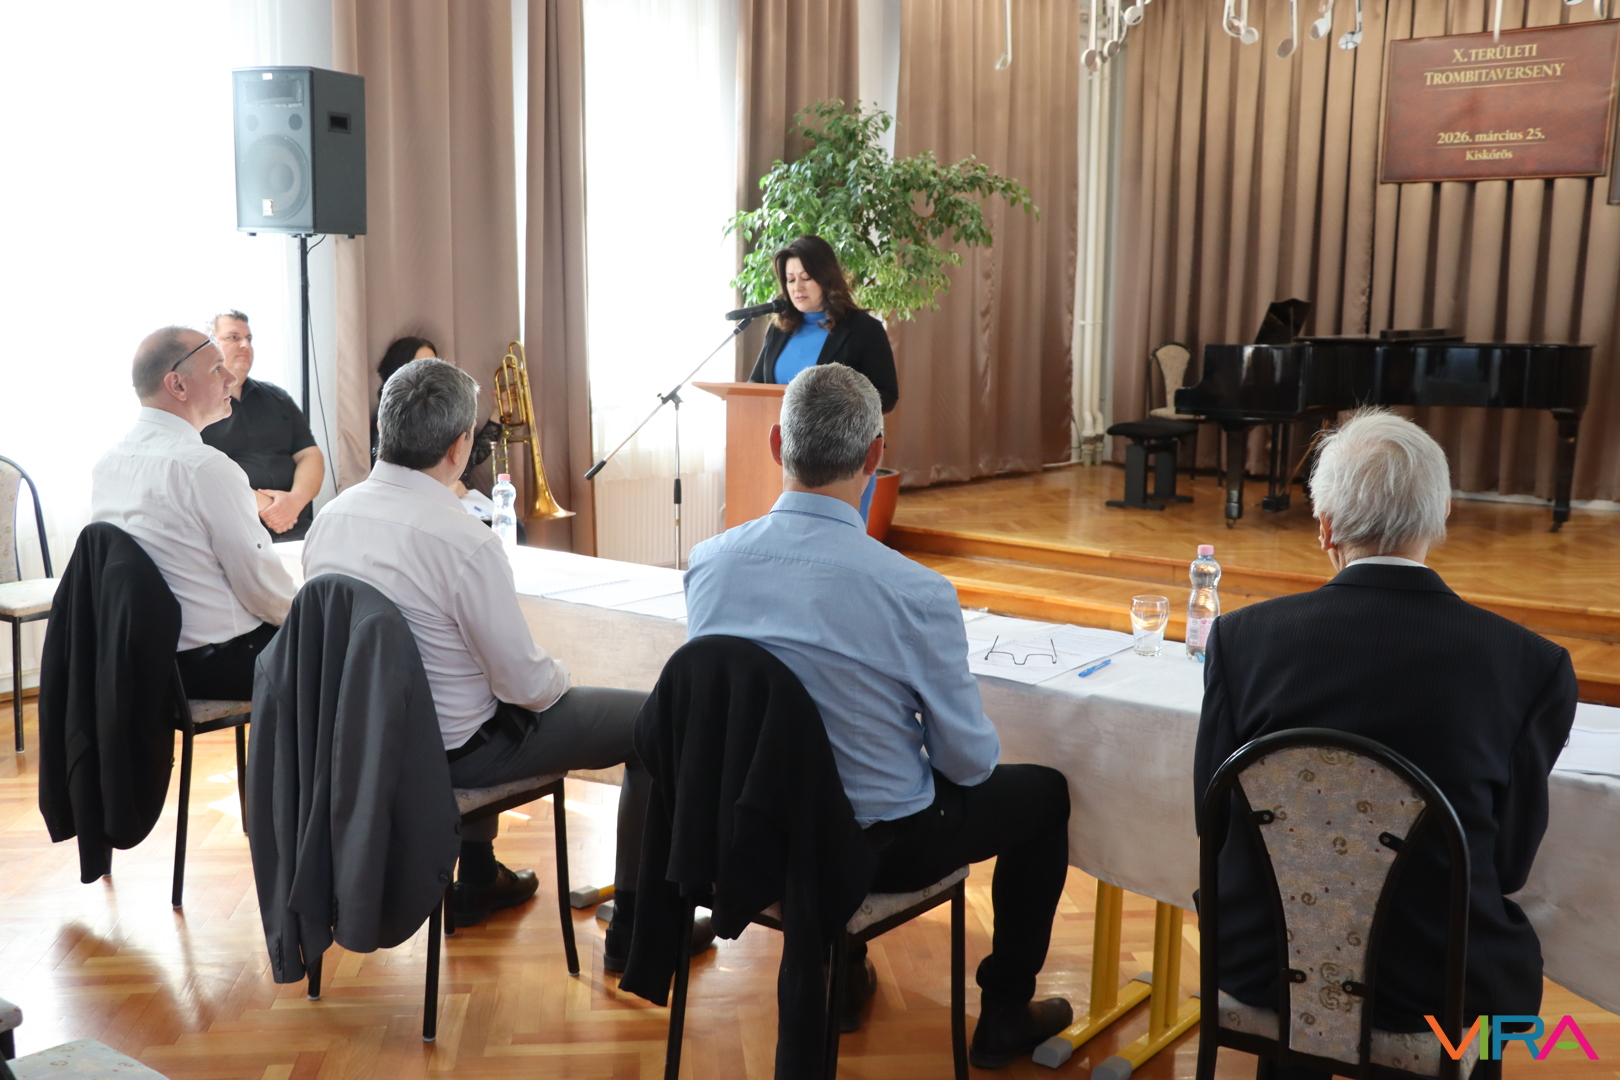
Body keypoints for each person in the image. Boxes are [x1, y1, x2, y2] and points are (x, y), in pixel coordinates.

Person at [684, 363, 1073, 1069]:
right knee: (1045, 796)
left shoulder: (709, 563)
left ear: (776, 445)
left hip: (751, 832)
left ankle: (844, 972)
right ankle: (1005, 1011)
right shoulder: (912, 590)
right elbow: (967, 764)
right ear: (874, 455)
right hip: (874, 851)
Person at [1194, 409, 1578, 1080]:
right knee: (1500, 992)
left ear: (1324, 528)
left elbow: (1215, 822)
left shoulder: (1241, 641)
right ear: (1442, 516)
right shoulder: (1530, 666)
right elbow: (1508, 864)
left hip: (1266, 966)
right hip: (1439, 988)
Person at [303, 357, 712, 957]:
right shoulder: (463, 539)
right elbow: (527, 687)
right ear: (458, 447)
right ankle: (640, 930)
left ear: (385, 429)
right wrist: (562, 671)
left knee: (466, 687)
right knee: (657, 721)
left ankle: (477, 879)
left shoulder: (331, 519)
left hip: (362, 740)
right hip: (454, 755)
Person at [91, 326, 297, 699]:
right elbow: (261, 587)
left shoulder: (108, 463)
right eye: (217, 368)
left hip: (142, 663)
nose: (231, 378)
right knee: (346, 650)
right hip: (218, 663)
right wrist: (310, 622)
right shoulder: (204, 468)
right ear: (177, 385)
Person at [746, 234, 898, 520]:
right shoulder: (779, 329)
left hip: (842, 458)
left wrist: (836, 408)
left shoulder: (863, 329)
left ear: (826, 278)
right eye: (790, 279)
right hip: (781, 459)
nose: (797, 287)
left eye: (806, 277)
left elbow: (887, 394)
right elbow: (756, 386)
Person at [199, 310, 325, 541]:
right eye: (233, 337)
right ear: (209, 348)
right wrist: (266, 506)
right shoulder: (197, 407)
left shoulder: (278, 397)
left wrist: (294, 501)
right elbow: (201, 475)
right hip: (236, 534)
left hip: (296, 526)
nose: (245, 345)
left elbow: (309, 455)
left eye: (249, 338)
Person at [371, 334, 500, 496]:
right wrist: (441, 489)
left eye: (434, 365)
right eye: (420, 366)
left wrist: (498, 413)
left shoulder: (448, 413)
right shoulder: (392, 419)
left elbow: (471, 455)